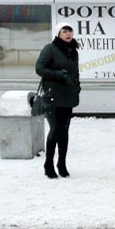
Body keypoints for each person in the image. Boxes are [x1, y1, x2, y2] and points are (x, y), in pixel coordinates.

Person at [35, 21, 81, 179]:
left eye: (70, 31)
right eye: (64, 31)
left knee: (65, 131)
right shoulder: (50, 49)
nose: (68, 34)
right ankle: (48, 164)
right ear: (58, 33)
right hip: (53, 95)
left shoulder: (73, 51)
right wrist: (59, 74)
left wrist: (77, 87)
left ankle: (61, 163)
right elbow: (39, 69)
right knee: (55, 130)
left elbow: (75, 73)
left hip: (68, 96)